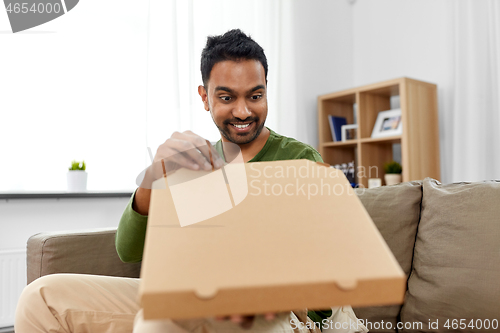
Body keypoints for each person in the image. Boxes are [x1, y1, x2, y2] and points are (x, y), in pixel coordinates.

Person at [15, 29, 329, 333]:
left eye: (255, 95)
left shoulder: (300, 161)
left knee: (163, 319)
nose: (243, 110)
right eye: (227, 97)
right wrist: (155, 176)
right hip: (191, 296)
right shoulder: (193, 161)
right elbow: (127, 249)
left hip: (276, 312)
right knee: (41, 298)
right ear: (205, 97)